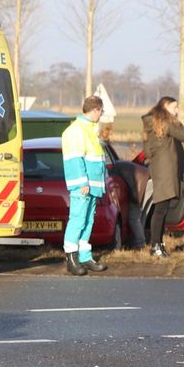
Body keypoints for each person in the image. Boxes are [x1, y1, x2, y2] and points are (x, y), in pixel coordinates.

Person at [61, 95, 107, 276]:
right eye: (101, 112)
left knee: (88, 221)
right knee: (77, 220)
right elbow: (74, 159)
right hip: (83, 186)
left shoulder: (89, 129)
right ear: (96, 110)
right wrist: (82, 182)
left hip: (93, 186)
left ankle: (85, 256)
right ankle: (71, 259)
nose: (101, 115)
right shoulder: (76, 131)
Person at [141, 96, 184, 257]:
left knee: (162, 209)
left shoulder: (153, 124)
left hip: (160, 170)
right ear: (166, 107)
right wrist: (176, 120)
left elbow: (147, 151)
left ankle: (159, 244)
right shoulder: (166, 123)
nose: (176, 110)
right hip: (165, 172)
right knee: (160, 210)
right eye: (175, 107)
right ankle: (155, 246)